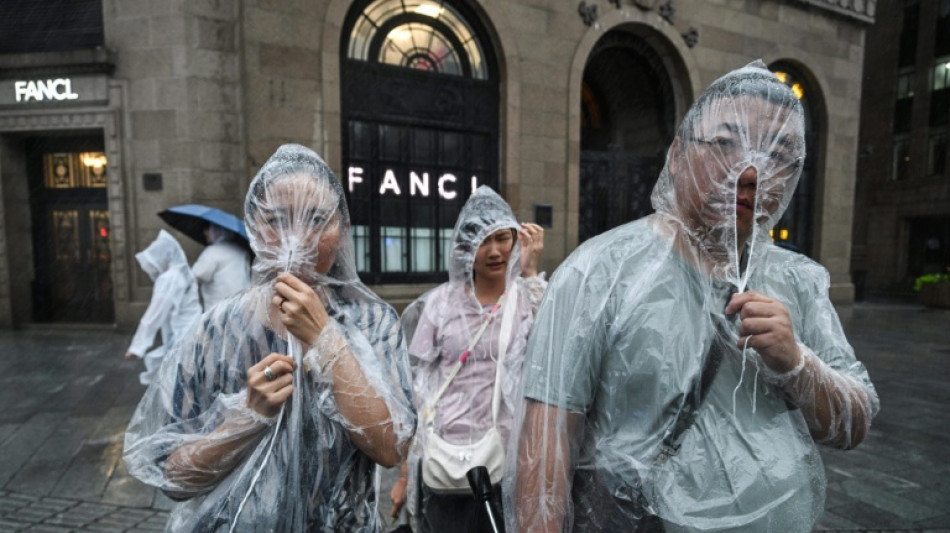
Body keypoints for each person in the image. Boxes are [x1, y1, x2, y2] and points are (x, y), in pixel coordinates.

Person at [511, 61, 880, 532]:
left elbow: (854, 423)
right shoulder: (597, 272)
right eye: (728, 143)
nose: (752, 170)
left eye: (779, 154)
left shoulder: (799, 280)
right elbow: (545, 447)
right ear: (678, 153)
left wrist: (797, 364)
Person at [123, 144, 416, 531]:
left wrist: (326, 340)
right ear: (254, 228)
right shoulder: (216, 332)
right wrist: (248, 417)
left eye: (316, 219)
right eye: (278, 220)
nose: (298, 238)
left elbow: (390, 447)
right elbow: (174, 478)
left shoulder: (373, 323)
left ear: (342, 230)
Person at [390, 186, 546, 532]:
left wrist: (531, 272)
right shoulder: (441, 304)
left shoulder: (525, 300)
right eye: (482, 242)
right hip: (444, 455)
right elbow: (418, 391)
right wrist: (403, 475)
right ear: (465, 250)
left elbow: (550, 351)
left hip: (506, 461)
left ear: (516, 240)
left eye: (502, 238)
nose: (494, 251)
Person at [123, 229, 202, 386]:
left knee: (178, 380)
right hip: (192, 330)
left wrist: (137, 346)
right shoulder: (183, 271)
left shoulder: (169, 278)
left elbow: (154, 314)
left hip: (181, 335)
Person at [192, 222, 252, 311]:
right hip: (242, 305)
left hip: (219, 308)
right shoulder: (242, 251)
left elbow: (197, 274)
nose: (205, 233)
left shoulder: (212, 251)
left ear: (215, 231)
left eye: (207, 230)